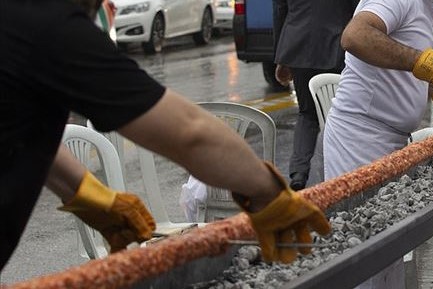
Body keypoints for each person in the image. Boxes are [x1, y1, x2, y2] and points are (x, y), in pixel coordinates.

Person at [0, 0, 329, 271]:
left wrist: (91, 197)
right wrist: (270, 194)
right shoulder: (44, 26)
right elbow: (190, 134)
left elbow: (26, 131)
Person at [322, 0, 433, 286]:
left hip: (388, 138)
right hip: (360, 138)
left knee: (388, 246)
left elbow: (400, 64)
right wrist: (425, 63)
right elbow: (355, 36)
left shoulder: (425, 6)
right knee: (364, 250)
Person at [271, 0, 360, 190]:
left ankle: (298, 173)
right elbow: (359, 10)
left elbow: (280, 11)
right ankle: (339, 174)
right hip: (336, 47)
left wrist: (281, 57)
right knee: (340, 114)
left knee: (307, 113)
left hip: (297, 46)